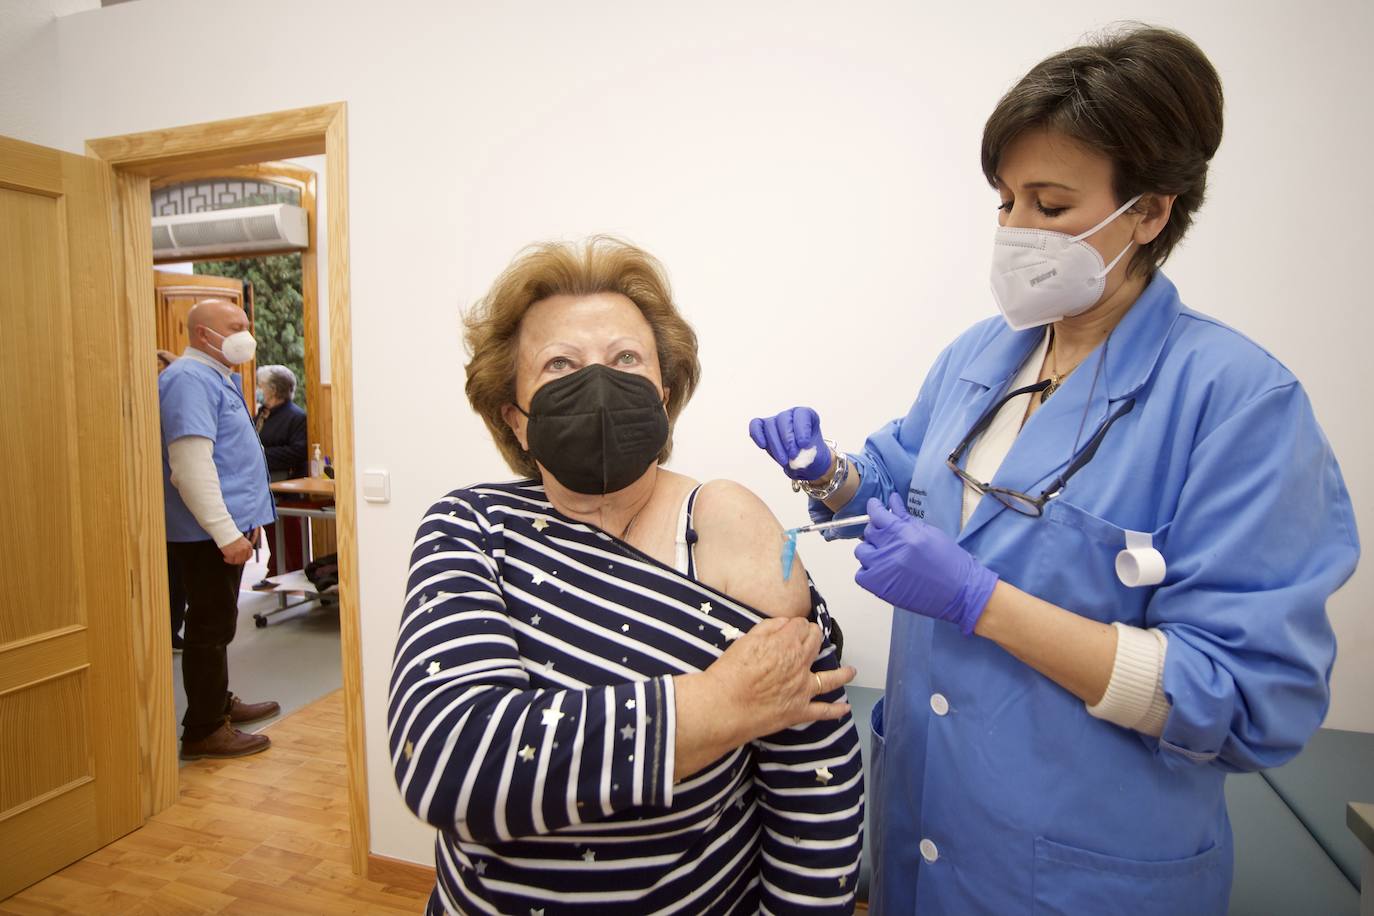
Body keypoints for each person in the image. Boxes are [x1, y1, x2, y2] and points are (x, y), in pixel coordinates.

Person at [750, 26, 1358, 914]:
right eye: (1004, 202)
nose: (1016, 232)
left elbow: (1244, 700)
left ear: (1149, 212)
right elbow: (902, 490)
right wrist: (829, 474)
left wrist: (981, 603)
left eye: (1050, 204)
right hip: (924, 836)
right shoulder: (983, 357)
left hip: (1089, 869)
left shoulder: (1238, 405)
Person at [388, 238, 864, 915]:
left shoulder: (732, 526)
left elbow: (814, 783)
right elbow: (448, 761)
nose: (599, 384)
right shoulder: (472, 526)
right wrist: (720, 704)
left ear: (663, 399)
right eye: (560, 364)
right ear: (514, 418)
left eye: (626, 360)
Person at [160, 299, 282, 759]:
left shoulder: (215, 378)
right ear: (202, 334)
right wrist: (226, 533)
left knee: (219, 622)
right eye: (236, 326)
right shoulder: (187, 381)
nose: (246, 333)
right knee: (209, 627)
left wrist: (246, 523)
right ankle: (205, 727)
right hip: (204, 534)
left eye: (247, 324)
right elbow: (190, 468)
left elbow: (231, 460)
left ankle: (217, 703)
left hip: (225, 527)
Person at [254, 364, 308, 579]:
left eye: (261, 386)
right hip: (263, 484)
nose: (258, 389)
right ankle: (276, 571)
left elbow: (297, 451)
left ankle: (294, 573)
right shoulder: (262, 415)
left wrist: (261, 454)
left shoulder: (296, 416)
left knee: (289, 533)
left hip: (287, 485)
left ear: (273, 390)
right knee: (271, 532)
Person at [157, 349, 188, 651]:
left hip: (179, 509)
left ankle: (172, 627)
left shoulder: (181, 391)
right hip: (163, 504)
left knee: (176, 576)